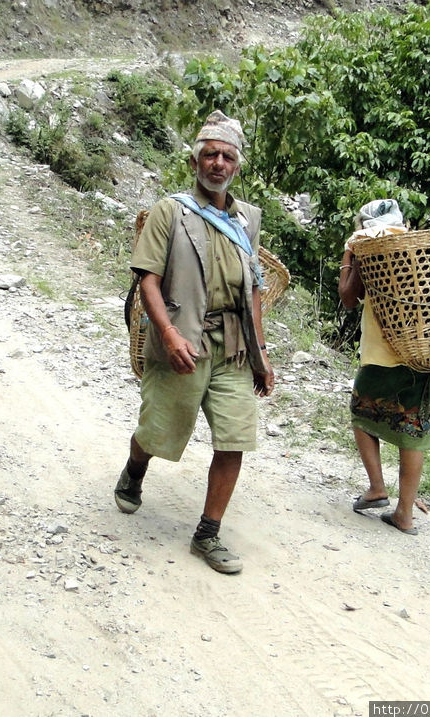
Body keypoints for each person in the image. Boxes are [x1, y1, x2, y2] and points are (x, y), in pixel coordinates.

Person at [114, 110, 274, 574]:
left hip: (234, 348)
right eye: (210, 155)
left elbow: (254, 288)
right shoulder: (171, 211)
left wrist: (261, 353)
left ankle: (207, 534)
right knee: (159, 430)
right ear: (195, 161)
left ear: (237, 166)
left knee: (234, 439)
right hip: (183, 340)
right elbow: (148, 280)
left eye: (227, 156)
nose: (218, 163)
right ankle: (136, 467)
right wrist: (168, 334)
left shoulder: (249, 219)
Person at [338, 200, 430, 535]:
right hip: (426, 354)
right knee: (413, 432)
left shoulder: (372, 248)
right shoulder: (422, 249)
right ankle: (404, 514)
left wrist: (349, 256)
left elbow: (348, 297)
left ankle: (377, 488)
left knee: (362, 413)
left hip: (384, 355)